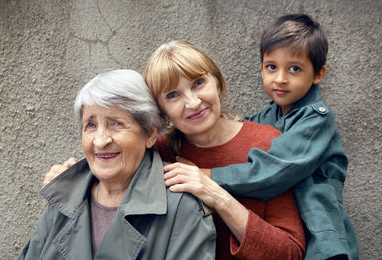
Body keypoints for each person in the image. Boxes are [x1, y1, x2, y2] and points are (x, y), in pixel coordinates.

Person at [186, 14, 357, 260]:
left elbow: (273, 170)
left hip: (321, 236)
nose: (280, 78)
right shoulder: (264, 117)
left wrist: (208, 176)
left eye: (295, 69)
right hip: (283, 228)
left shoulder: (317, 120)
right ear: (261, 69)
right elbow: (236, 137)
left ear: (318, 74)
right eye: (272, 67)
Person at [18, 69, 216, 260]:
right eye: (91, 125)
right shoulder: (62, 198)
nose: (100, 140)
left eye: (116, 124)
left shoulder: (183, 207)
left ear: (150, 134)